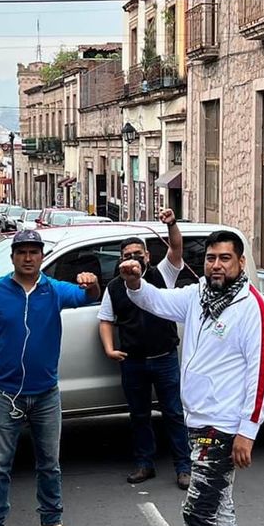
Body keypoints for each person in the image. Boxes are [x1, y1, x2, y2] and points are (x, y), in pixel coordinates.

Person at [121, 229, 264, 526]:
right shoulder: (196, 298)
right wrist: (135, 283)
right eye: (210, 258)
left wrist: (248, 430)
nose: (216, 265)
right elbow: (154, 300)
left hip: (223, 427)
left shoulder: (254, 308)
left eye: (225, 258)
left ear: (241, 263)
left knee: (198, 512)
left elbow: (262, 373)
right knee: (220, 508)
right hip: (199, 420)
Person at [0, 229, 100, 526]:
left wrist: (91, 281)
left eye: (34, 252)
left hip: (45, 393)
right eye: (22, 251)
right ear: (13, 257)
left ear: (41, 256)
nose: (28, 257)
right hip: (5, 392)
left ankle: (50, 524)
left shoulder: (53, 290)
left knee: (50, 463)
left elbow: (89, 297)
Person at [99, 209, 192, 489]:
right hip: (133, 362)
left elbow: (176, 248)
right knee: (139, 416)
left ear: (148, 256)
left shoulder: (162, 274)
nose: (134, 258)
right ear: (121, 260)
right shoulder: (114, 287)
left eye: (138, 253)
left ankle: (184, 467)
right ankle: (144, 464)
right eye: (128, 254)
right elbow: (105, 319)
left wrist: (172, 223)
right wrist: (109, 349)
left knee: (174, 413)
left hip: (164, 358)